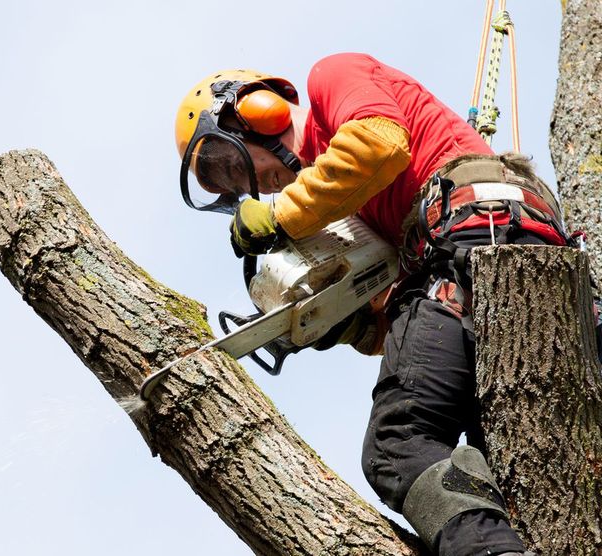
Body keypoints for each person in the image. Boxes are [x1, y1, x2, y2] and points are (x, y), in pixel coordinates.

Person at [173, 53, 579, 555]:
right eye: (227, 188)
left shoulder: (331, 81)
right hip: (493, 259)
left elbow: (380, 144)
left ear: (256, 111)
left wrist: (282, 217)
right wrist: (353, 326)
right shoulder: (354, 205)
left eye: (233, 166)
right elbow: (421, 328)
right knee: (505, 464)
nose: (247, 187)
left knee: (399, 442)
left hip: (476, 231)